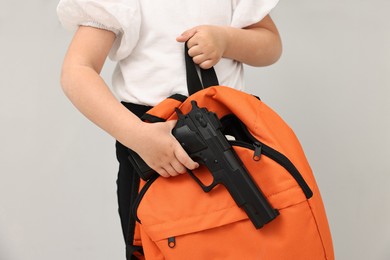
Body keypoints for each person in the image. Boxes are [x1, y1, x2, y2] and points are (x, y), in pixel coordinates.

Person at [56, 0, 282, 256]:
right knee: (157, 246)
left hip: (228, 134)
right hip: (153, 141)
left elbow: (271, 44)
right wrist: (140, 138)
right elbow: (76, 70)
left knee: (244, 240)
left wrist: (227, 40)